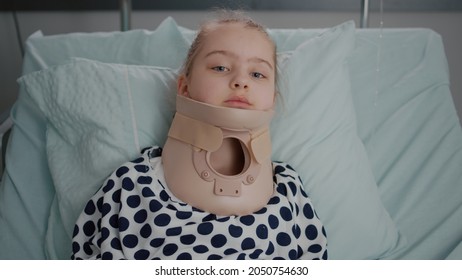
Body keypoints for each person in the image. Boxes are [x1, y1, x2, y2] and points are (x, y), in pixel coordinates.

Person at [71, 10, 327, 260]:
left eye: (257, 74)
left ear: (272, 100)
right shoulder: (131, 185)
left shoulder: (288, 190)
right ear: (184, 87)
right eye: (220, 67)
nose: (241, 81)